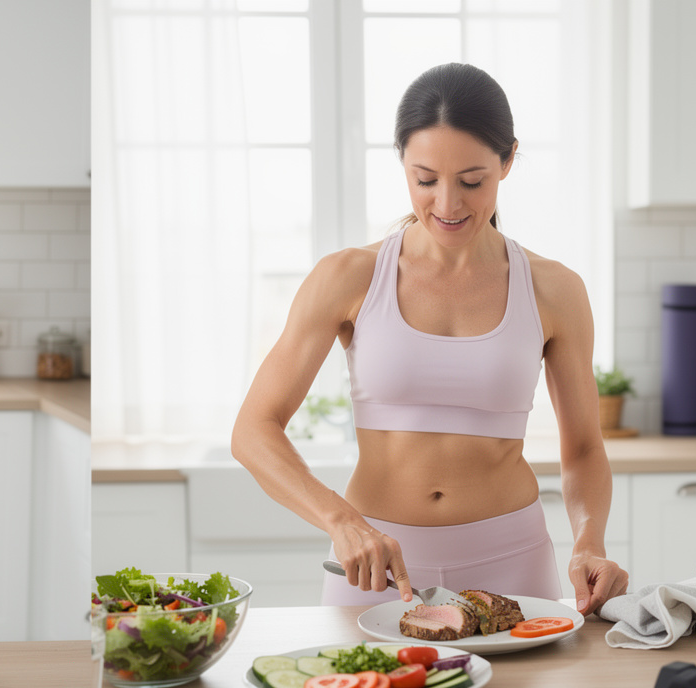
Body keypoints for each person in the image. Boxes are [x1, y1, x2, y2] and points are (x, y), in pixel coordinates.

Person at [231, 62, 628, 616]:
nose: (447, 204)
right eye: (425, 180)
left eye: (471, 181)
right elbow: (253, 429)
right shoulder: (349, 276)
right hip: (375, 568)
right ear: (402, 164)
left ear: (508, 161)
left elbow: (584, 448)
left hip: (513, 562)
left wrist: (589, 541)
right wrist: (341, 521)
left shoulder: (554, 289)